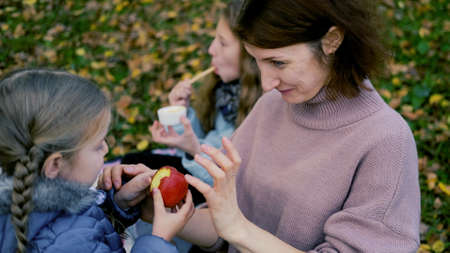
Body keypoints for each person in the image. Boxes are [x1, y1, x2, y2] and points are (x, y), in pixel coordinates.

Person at [0, 69, 194, 253]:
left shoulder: (26, 199)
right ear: (55, 165)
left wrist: (116, 206)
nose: (107, 149)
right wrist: (159, 240)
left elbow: (76, 228)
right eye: (98, 145)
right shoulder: (71, 245)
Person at [119, 0, 262, 190]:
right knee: (132, 165)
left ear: (250, 54)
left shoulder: (261, 108)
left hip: (214, 187)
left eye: (223, 43)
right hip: (199, 168)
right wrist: (181, 114)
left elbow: (232, 186)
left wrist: (193, 149)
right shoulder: (227, 90)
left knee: (134, 170)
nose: (211, 49)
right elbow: (204, 138)